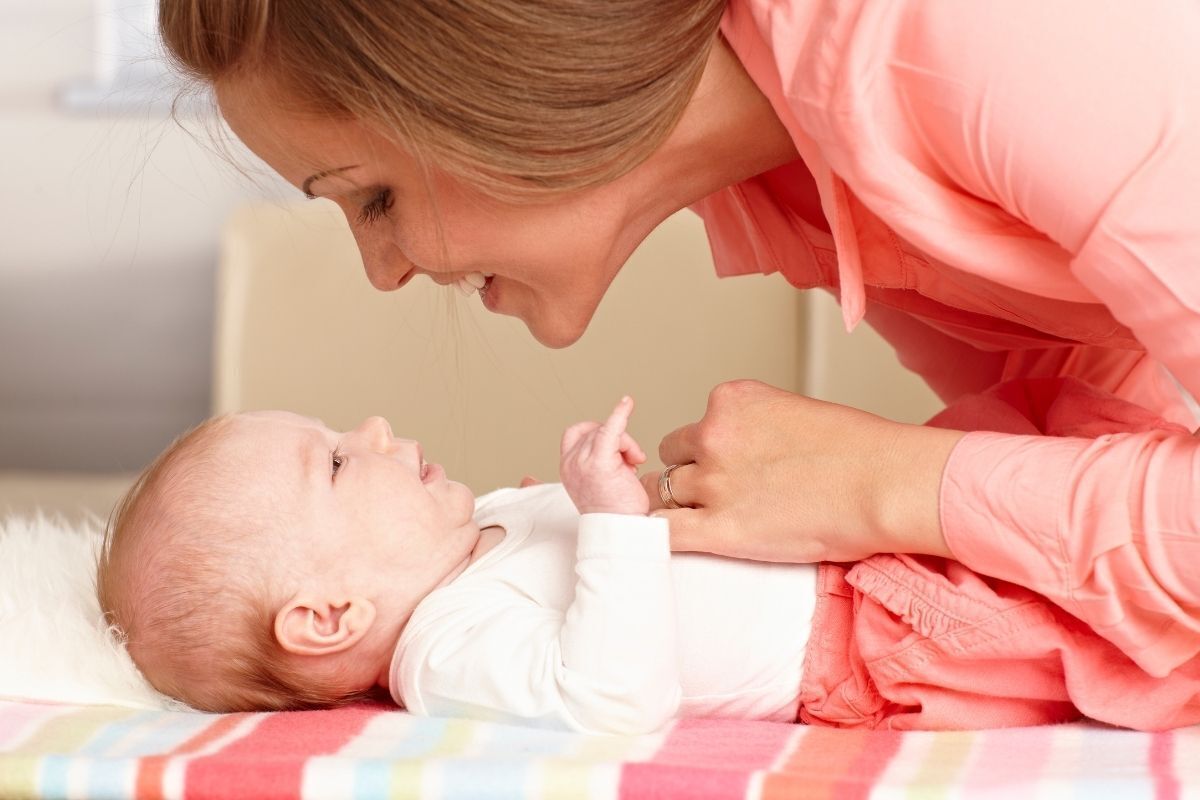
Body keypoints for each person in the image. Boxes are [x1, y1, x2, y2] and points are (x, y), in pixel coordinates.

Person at [156, 1, 1200, 704]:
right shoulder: (791, 183)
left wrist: (900, 483)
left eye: (373, 195)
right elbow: (1090, 434)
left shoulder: (982, 44)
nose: (381, 270)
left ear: (501, 85)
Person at [98, 392, 1200, 732]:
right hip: (865, 634)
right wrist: (613, 522)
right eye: (339, 463)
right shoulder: (446, 649)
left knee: (1066, 501)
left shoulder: (469, 537)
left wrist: (624, 494)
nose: (377, 430)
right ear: (328, 612)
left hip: (851, 553)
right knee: (1107, 649)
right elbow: (615, 696)